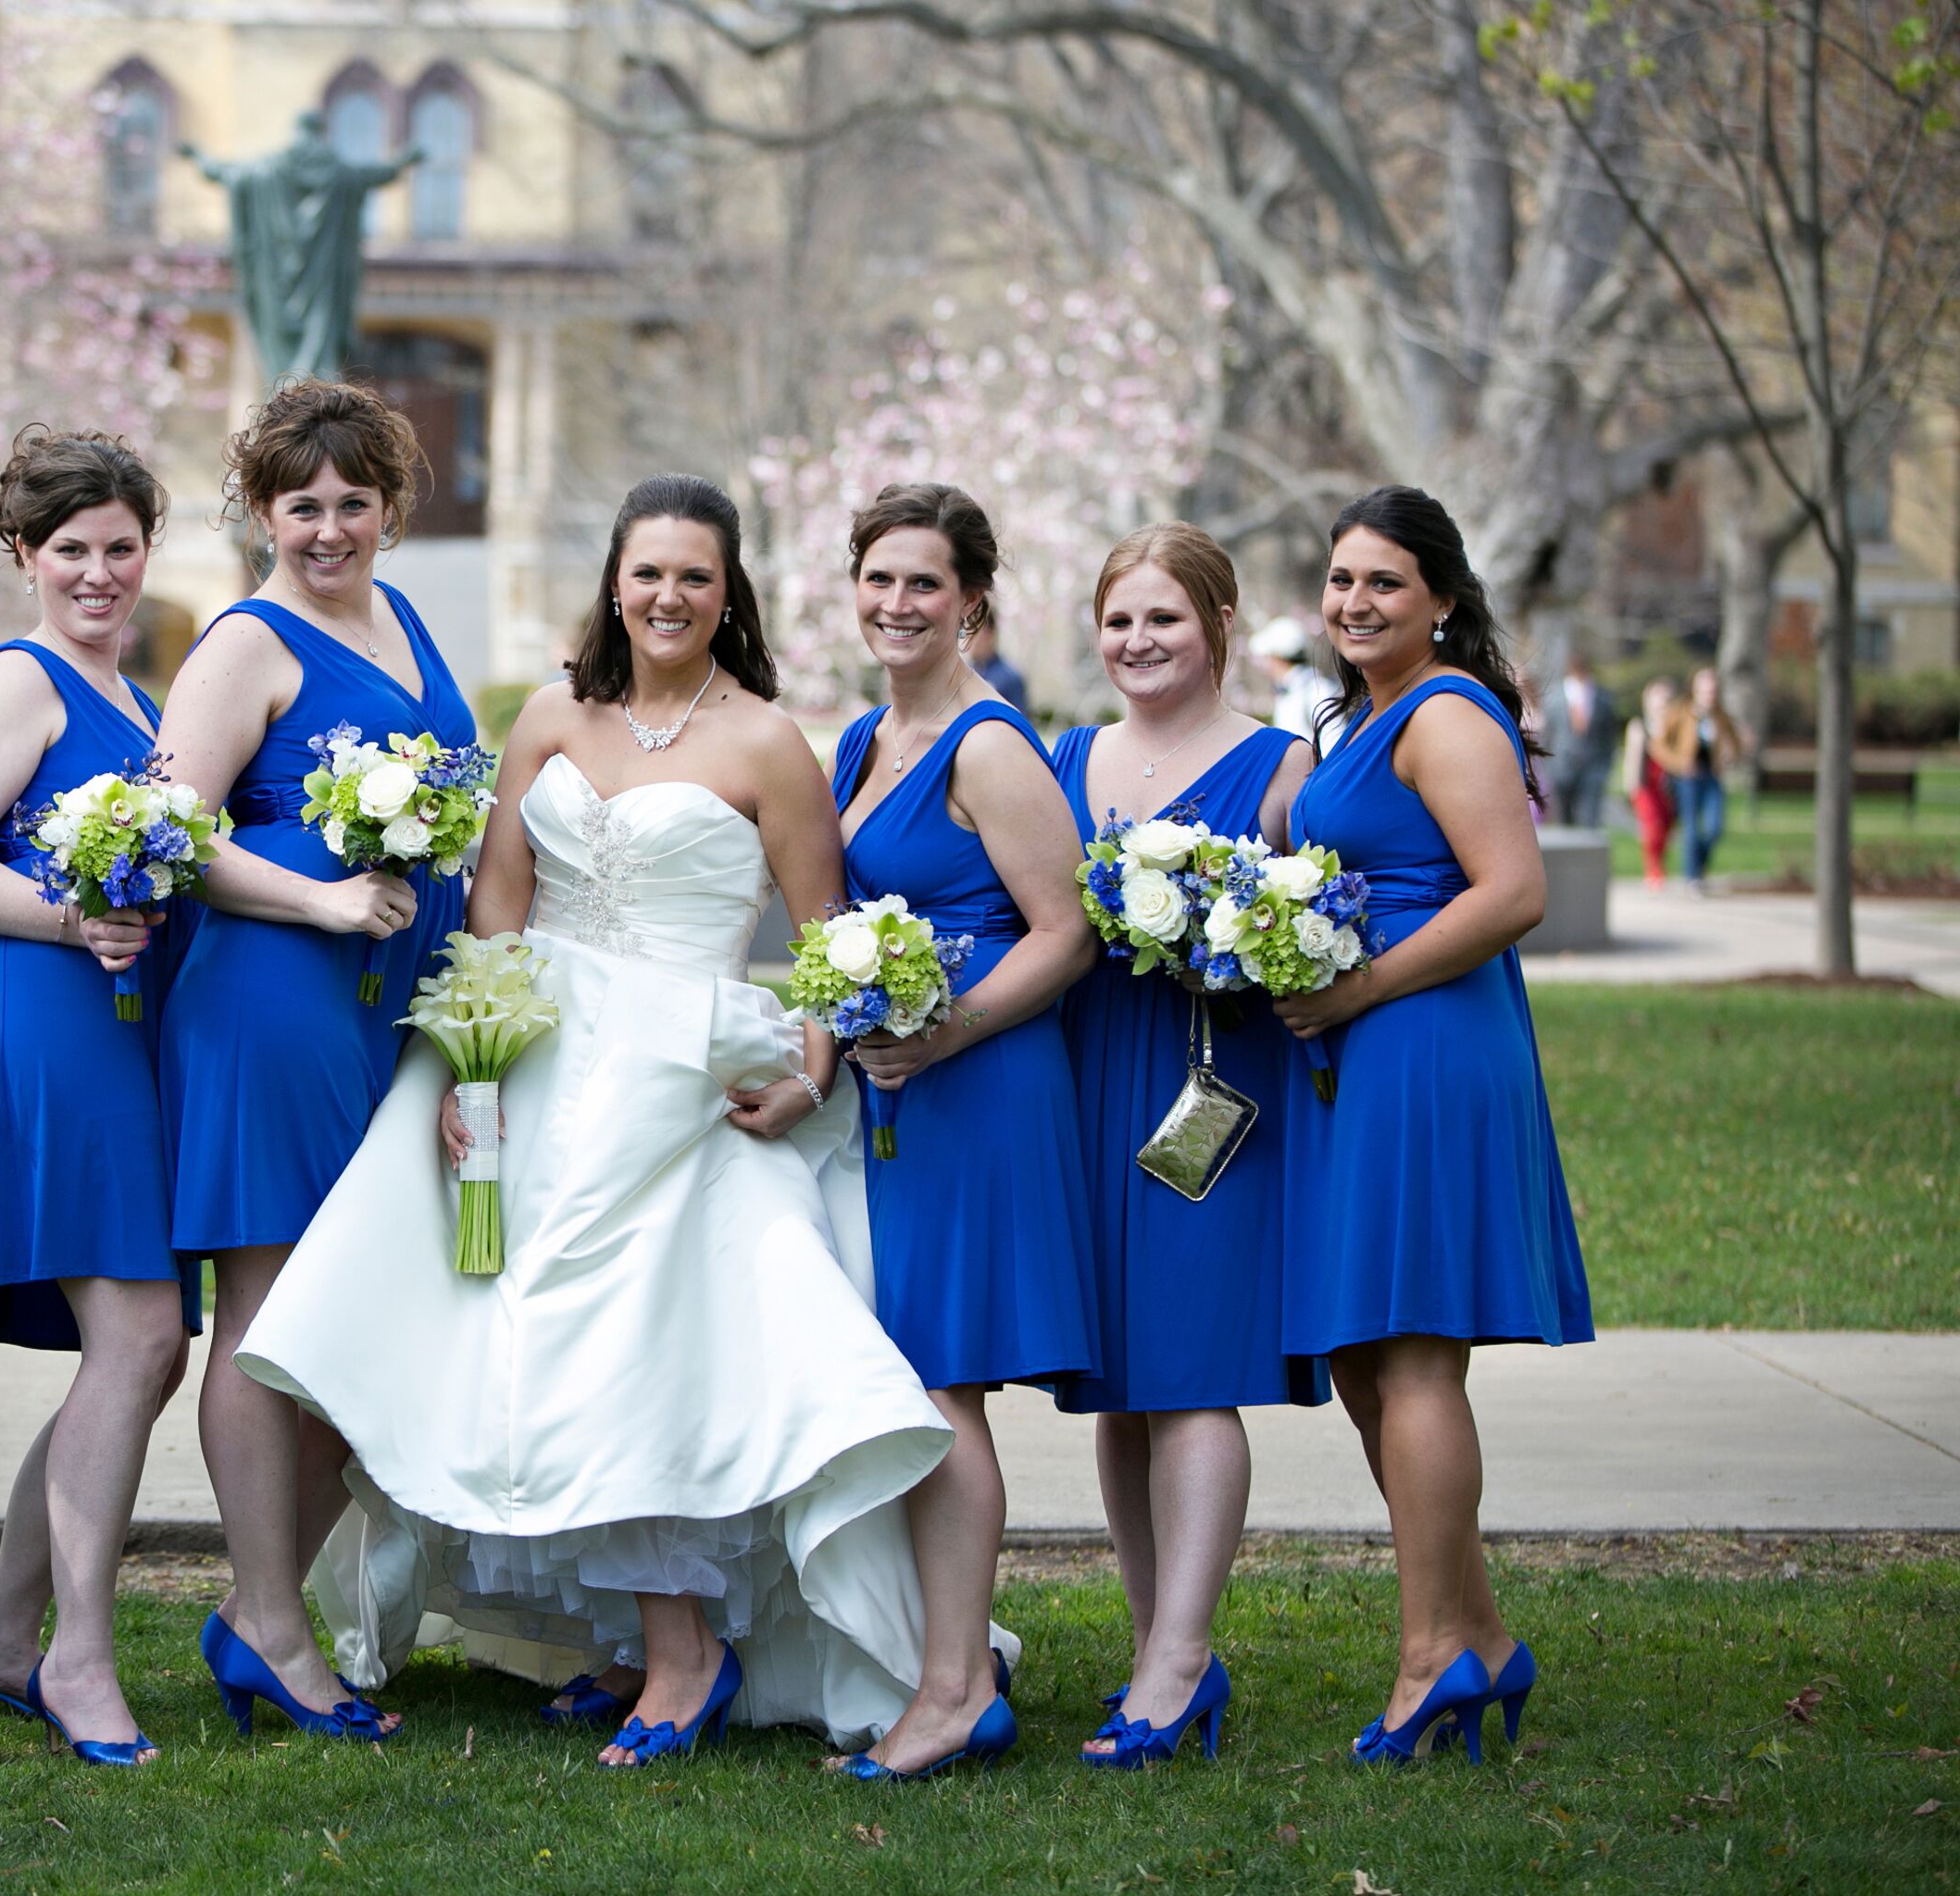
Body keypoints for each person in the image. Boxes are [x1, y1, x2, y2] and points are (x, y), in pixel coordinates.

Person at [238, 474, 970, 1767]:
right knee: (498, 1335)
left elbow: (822, 944)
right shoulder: (552, 717)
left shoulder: (767, 742)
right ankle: (623, 1643)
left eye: (695, 576)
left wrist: (806, 1078)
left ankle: (685, 1652)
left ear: (727, 592)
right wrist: (469, 1083)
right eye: (648, 574)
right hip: (533, 1053)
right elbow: (498, 913)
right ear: (614, 584)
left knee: (638, 1347)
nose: (668, 597)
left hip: (684, 1075)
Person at [154, 380, 476, 1742]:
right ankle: (269, 1618)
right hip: (273, 1004)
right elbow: (164, 834)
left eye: (354, 504)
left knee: (368, 1311)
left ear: (390, 509)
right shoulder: (245, 641)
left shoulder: (401, 620)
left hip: (388, 1007)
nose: (329, 529)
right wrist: (322, 901)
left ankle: (268, 1610)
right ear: (262, 512)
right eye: (303, 507)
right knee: (272, 1313)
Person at [1273, 485, 1591, 1765]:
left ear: (1443, 601)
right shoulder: (1358, 718)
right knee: (1367, 1360)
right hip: (1366, 1046)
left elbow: (1514, 893)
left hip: (1426, 1044)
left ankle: (1429, 1657)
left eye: (1384, 584)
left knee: (1409, 1358)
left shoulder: (1450, 712)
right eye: (1342, 581)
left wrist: (1360, 986)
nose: (1355, 603)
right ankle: (1481, 1637)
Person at [0, 430, 198, 1767]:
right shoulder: (18, 682)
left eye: (119, 546)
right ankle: (74, 1656)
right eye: (69, 549)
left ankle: (6, 1638)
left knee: (141, 1346)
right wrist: (72, 923)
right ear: (25, 556)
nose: (98, 571)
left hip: (119, 1031)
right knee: (138, 1340)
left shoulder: (129, 695)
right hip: (46, 1025)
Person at [824, 484, 1097, 1779]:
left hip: (983, 1086)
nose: (896, 604)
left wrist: (945, 1035)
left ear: (973, 600)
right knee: (918, 1378)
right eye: (878, 579)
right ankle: (949, 1668)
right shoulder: (861, 741)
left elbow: (1071, 931)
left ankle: (953, 1689)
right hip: (897, 1092)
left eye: (923, 584)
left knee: (941, 1387)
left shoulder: (988, 746)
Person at [1049, 523, 1330, 1770]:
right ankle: (1160, 1641)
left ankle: (1179, 1657)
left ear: (1218, 625)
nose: (1138, 641)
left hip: (1215, 1092)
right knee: (1120, 1380)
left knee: (1193, 1369)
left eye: (1164, 617)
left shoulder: (1280, 769)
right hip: (1093, 1080)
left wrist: (1238, 929)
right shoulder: (1066, 757)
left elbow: (1326, 924)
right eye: (1119, 620)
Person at [1652, 666, 1745, 893]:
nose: (1709, 694)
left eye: (1713, 690)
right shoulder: (1681, 712)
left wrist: (1728, 757)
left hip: (1711, 775)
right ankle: (1692, 876)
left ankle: (1699, 862)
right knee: (1692, 827)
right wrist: (1679, 764)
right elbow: (1658, 745)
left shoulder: (1720, 716)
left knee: (1715, 826)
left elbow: (1736, 744)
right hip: (1688, 778)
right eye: (1705, 689)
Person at [1250, 615, 1339, 747]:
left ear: (1278, 658)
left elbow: (1333, 745)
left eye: (1268, 658)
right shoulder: (1288, 692)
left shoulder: (1317, 691)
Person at [1623, 678, 1679, 887]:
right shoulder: (1640, 727)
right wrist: (1630, 786)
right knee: (1652, 825)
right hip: (1646, 786)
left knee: (1665, 827)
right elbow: (1632, 759)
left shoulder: (1674, 728)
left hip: (1667, 787)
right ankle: (1653, 868)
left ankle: (1659, 863)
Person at [1549, 653, 1616, 829]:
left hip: (1593, 765)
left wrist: (1605, 766)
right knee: (1564, 818)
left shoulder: (1602, 698)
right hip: (1563, 765)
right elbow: (1548, 735)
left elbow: (1609, 736)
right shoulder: (1555, 698)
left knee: (1590, 817)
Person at [963, 617, 1029, 717]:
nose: (967, 641)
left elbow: (1020, 720)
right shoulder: (965, 674)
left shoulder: (1010, 677)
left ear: (989, 635)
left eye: (972, 634)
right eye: (965, 634)